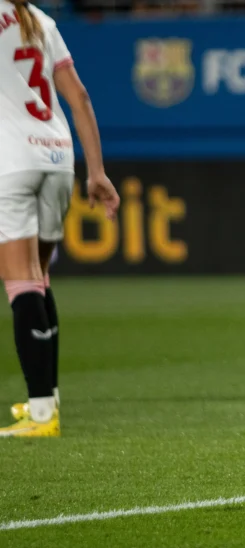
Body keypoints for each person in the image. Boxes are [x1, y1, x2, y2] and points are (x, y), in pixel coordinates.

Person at [0, 0, 119, 437]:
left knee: (21, 282)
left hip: (10, 159)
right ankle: (46, 398)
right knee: (40, 278)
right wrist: (98, 171)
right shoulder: (42, 19)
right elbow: (80, 96)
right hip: (56, 158)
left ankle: (41, 414)